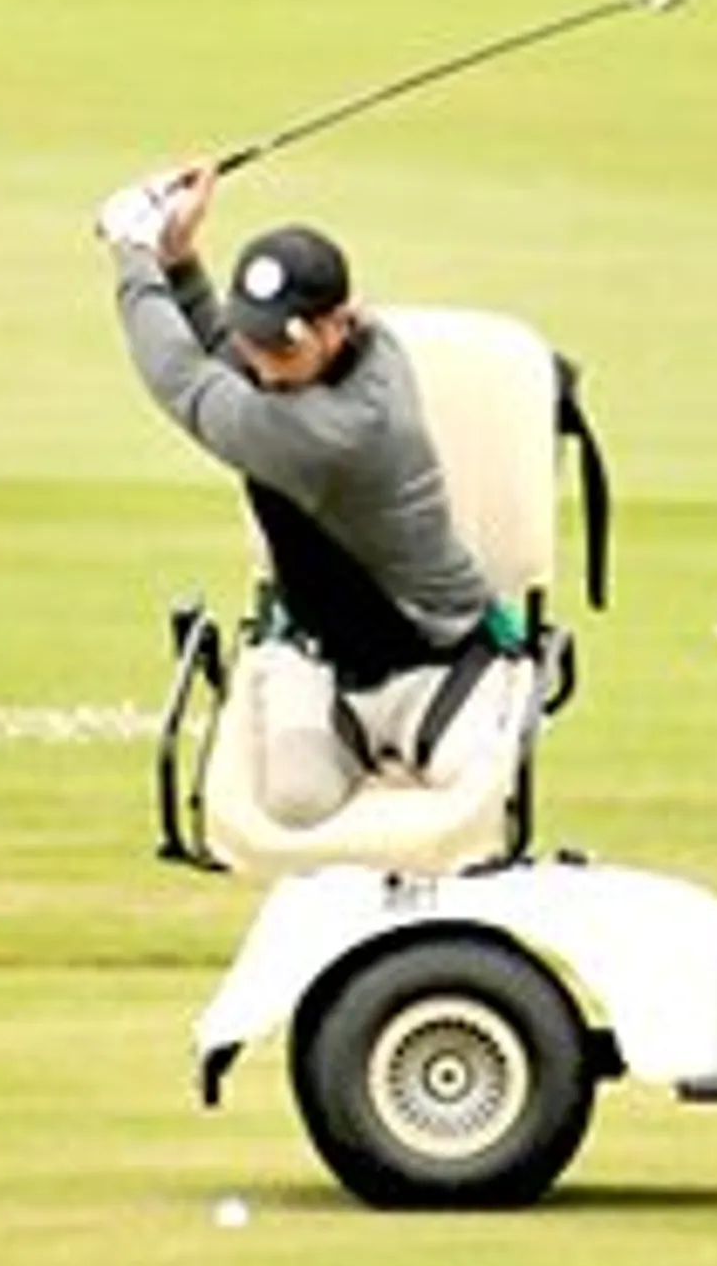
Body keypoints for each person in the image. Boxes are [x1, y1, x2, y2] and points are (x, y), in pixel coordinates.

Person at [95, 162, 529, 827]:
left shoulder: (334, 433)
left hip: (437, 661)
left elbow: (182, 379)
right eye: (258, 339)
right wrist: (178, 259)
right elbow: (225, 353)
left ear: (337, 325)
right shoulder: (334, 358)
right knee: (297, 802)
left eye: (285, 347)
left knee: (470, 793)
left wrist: (132, 252)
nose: (266, 363)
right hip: (325, 660)